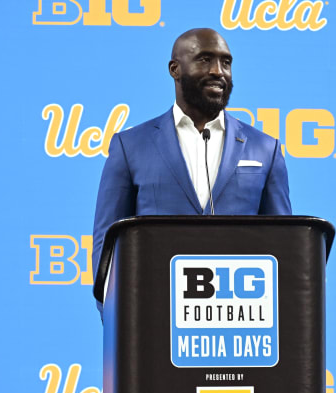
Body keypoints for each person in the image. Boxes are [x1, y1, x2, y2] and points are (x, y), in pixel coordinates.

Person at [92, 28, 291, 312]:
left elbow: (283, 245)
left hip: (240, 321)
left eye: (226, 63)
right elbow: (107, 242)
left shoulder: (265, 148)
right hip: (153, 319)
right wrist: (115, 320)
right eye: (205, 60)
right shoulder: (130, 146)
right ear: (175, 69)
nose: (218, 71)